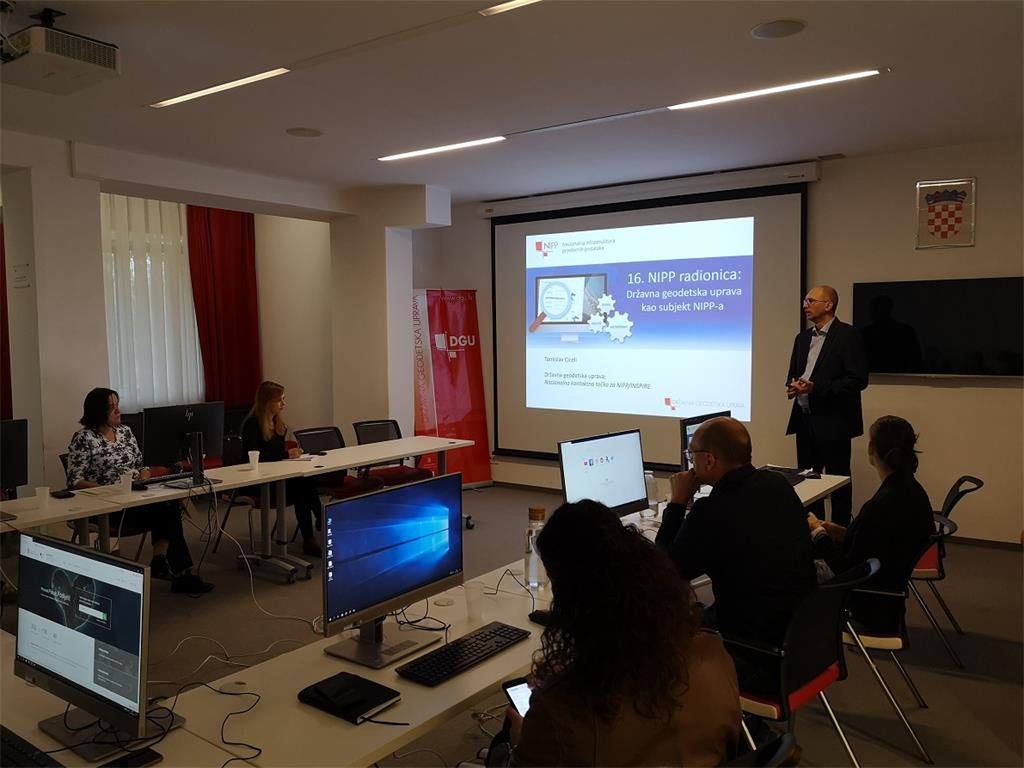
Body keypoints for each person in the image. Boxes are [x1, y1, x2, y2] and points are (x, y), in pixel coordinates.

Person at [490, 499, 740, 766]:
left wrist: (517, 742)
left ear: (571, 601)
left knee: (500, 747)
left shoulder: (560, 711)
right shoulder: (713, 654)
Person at [655, 417, 815, 691]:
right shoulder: (778, 485)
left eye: (691, 454)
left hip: (752, 649)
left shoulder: (712, 510)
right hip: (803, 639)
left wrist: (678, 502)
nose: (690, 462)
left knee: (661, 620)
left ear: (709, 460)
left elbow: (663, 573)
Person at [66, 388, 213, 594]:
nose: (118, 410)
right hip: (107, 506)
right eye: (111, 407)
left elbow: (141, 464)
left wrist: (144, 477)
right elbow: (75, 481)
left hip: (136, 497)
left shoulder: (125, 432)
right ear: (98, 411)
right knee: (167, 510)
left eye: (118, 404)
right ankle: (175, 571)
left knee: (170, 503)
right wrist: (110, 490)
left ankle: (164, 561)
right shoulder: (84, 438)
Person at [808, 415, 935, 630]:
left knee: (785, 567)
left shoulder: (881, 505)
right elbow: (871, 541)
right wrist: (836, 531)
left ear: (871, 449)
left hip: (864, 597)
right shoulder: (910, 491)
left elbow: (845, 568)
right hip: (886, 589)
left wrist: (818, 532)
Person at [785, 285, 869, 527]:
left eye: (811, 300)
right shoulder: (801, 339)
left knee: (838, 482)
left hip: (835, 422)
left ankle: (840, 534)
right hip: (804, 419)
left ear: (828, 305)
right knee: (809, 482)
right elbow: (793, 373)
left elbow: (857, 380)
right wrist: (793, 386)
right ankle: (815, 531)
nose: (805, 305)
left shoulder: (848, 335)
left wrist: (815, 388)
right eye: (805, 300)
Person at [240, 381, 323, 557]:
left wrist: (291, 454)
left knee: (305, 481)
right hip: (258, 482)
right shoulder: (252, 425)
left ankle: (311, 536)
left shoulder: (277, 423)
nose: (283, 404)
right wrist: (286, 455)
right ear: (267, 402)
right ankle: (317, 521)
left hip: (278, 477)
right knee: (303, 486)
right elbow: (256, 456)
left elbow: (277, 454)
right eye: (280, 400)